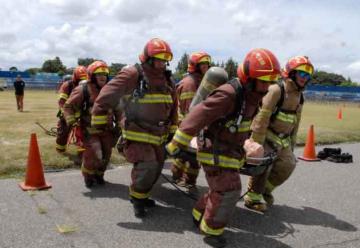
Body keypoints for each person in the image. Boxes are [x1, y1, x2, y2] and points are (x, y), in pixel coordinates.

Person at [166, 49, 281, 247]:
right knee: (229, 190)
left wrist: (246, 147)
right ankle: (212, 231)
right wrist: (177, 143)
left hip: (230, 150)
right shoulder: (229, 94)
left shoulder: (253, 95)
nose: (267, 86)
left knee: (219, 189)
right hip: (214, 149)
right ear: (249, 78)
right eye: (263, 81)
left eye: (270, 81)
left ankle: (198, 213)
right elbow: (196, 116)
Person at [91, 38, 178, 218]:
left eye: (165, 59)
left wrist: (172, 130)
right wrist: (99, 124)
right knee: (148, 166)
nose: (162, 63)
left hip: (159, 135)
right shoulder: (132, 74)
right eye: (158, 59)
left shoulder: (167, 79)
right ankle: (137, 199)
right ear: (147, 58)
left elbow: (173, 106)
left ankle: (142, 195)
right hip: (137, 133)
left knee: (157, 167)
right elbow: (104, 97)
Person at [244, 56, 314, 212]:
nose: (305, 78)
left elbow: (296, 123)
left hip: (283, 141)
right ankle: (253, 197)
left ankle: (265, 191)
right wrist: (256, 144)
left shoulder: (300, 97)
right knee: (265, 164)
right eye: (302, 74)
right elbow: (261, 118)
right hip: (266, 136)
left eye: (307, 76)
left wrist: (292, 143)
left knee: (288, 165)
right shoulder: (276, 90)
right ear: (292, 73)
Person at [63, 61, 119, 188]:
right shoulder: (83, 89)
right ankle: (88, 177)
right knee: (94, 154)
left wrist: (121, 124)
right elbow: (68, 106)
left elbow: (119, 110)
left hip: (108, 131)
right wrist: (71, 120)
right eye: (98, 74)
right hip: (90, 131)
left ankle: (99, 175)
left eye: (104, 74)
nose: (102, 76)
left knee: (106, 155)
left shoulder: (111, 91)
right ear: (92, 75)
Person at [171, 52, 211, 188]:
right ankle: (182, 178)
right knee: (188, 155)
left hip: (194, 125)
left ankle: (185, 179)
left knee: (189, 156)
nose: (206, 68)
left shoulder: (202, 82)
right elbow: (191, 110)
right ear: (195, 66)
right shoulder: (190, 83)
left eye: (207, 65)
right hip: (189, 126)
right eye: (203, 65)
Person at [56, 66, 88, 153]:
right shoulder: (67, 85)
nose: (83, 81)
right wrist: (67, 116)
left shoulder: (89, 86)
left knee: (84, 135)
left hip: (82, 114)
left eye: (85, 79)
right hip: (67, 113)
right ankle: (60, 149)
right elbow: (62, 102)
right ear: (75, 78)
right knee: (63, 133)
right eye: (80, 79)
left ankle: (82, 154)